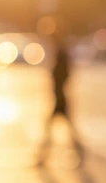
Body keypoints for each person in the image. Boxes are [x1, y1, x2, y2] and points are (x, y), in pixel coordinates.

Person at [35, 34, 84, 167]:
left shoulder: (61, 56)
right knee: (57, 129)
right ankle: (43, 157)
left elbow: (63, 76)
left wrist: (59, 91)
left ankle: (42, 157)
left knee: (52, 129)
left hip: (60, 98)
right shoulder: (61, 54)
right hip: (59, 97)